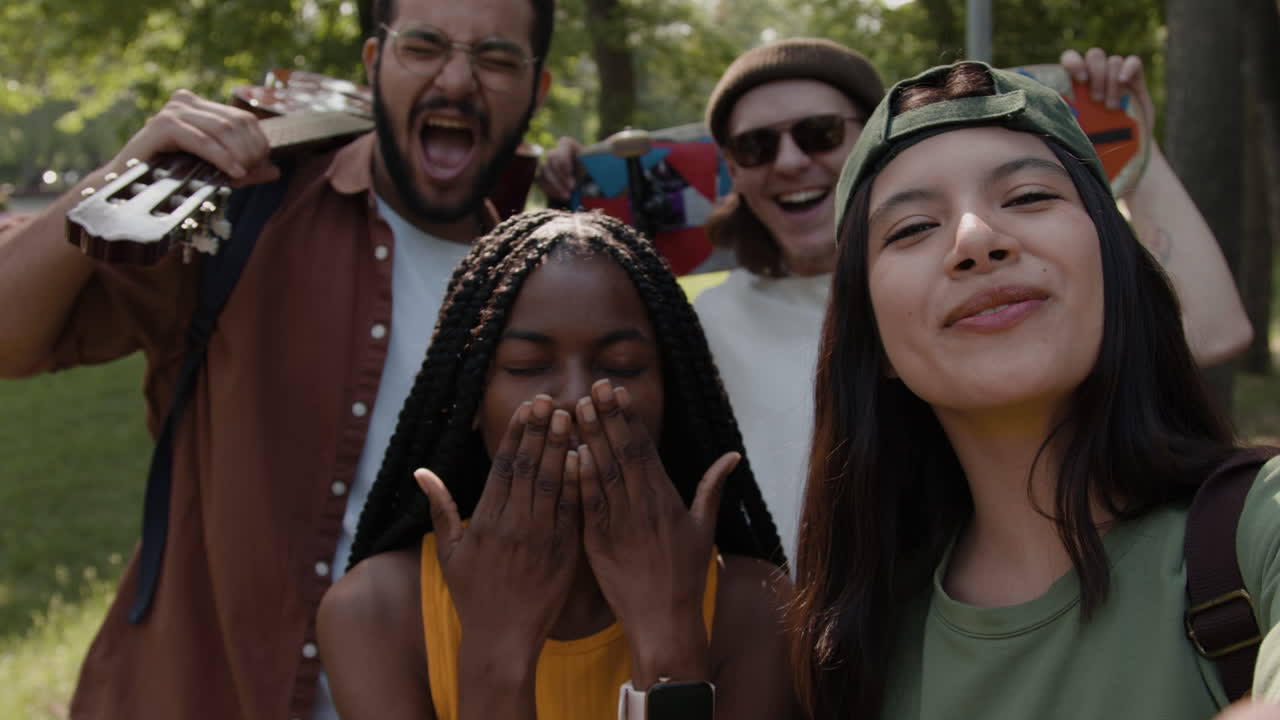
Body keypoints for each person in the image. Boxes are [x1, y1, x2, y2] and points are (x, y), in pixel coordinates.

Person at [0, 0, 554, 717]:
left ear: (537, 91)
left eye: (497, 58)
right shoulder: (244, 209)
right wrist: (120, 173)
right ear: (374, 62)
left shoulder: (539, 293)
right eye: (423, 46)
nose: (457, 79)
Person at [537, 41, 1251, 566]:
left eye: (819, 134)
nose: (789, 161)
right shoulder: (696, 322)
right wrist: (566, 213)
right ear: (734, 174)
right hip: (770, 645)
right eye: (755, 147)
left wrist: (1132, 154)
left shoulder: (955, 291)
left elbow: (1213, 329)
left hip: (941, 614)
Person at [789, 60, 1280, 720]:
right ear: (872, 344)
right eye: (912, 229)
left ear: (1115, 270)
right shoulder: (856, 652)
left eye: (1028, 198)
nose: (976, 240)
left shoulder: (1259, 529)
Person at [316, 209, 793, 720]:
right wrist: (498, 651)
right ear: (471, 398)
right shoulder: (374, 612)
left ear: (670, 393)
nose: (575, 394)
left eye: (621, 367)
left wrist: (667, 634)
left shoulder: (757, 607)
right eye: (527, 366)